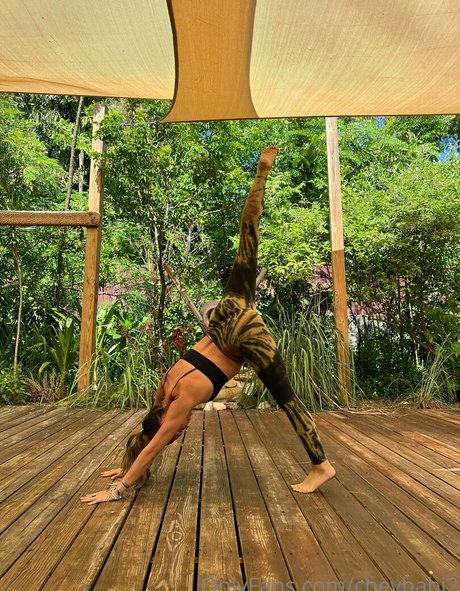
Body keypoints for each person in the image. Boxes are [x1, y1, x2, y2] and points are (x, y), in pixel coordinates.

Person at [80, 146, 336, 506]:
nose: (182, 431)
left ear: (168, 421)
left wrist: (118, 488)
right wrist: (126, 464)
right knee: (248, 237)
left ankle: (322, 465)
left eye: (177, 432)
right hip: (227, 315)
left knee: (288, 400)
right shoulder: (165, 387)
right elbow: (146, 435)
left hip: (247, 338)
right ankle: (260, 175)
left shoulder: (179, 406)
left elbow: (153, 446)